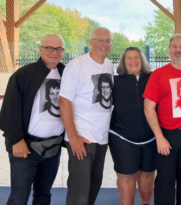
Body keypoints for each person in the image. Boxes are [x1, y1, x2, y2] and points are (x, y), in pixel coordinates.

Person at [0, 34, 65, 205]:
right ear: (40, 49)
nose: (54, 52)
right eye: (49, 48)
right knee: (19, 198)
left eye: (58, 48)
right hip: (26, 148)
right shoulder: (24, 74)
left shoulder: (66, 73)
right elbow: (9, 110)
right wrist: (16, 140)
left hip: (53, 149)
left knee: (44, 195)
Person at [143, 34, 181, 205]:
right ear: (169, 50)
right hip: (167, 135)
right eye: (174, 47)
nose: (178, 50)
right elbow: (148, 109)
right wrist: (159, 137)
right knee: (165, 180)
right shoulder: (158, 75)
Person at [59, 27, 114, 205]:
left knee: (93, 188)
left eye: (108, 40)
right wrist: (73, 138)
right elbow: (64, 102)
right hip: (82, 137)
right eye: (100, 40)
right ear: (90, 42)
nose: (104, 44)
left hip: (101, 138)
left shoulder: (109, 65)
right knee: (79, 192)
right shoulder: (77, 65)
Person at [109, 47, 156, 205]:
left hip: (150, 137)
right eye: (129, 58)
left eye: (136, 57)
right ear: (123, 62)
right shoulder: (114, 81)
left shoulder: (153, 78)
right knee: (126, 176)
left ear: (142, 60)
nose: (133, 60)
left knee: (148, 174)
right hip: (122, 137)